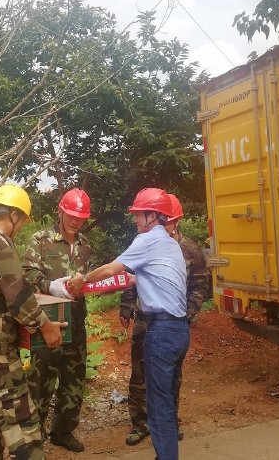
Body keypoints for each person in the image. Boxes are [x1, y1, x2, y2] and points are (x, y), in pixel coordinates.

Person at [69, 187, 188, 460]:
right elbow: (150, 277)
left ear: (152, 216)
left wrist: (83, 279)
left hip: (160, 331)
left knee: (158, 406)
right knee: (167, 398)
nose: (135, 219)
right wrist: (130, 280)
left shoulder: (148, 240)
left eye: (138, 214)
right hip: (179, 330)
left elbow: (112, 268)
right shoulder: (171, 244)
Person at [0, 184, 67, 460]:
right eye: (21, 222)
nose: (19, 229)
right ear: (14, 215)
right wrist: (46, 326)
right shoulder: (1, 245)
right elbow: (18, 297)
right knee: (22, 422)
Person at [120, 193, 211, 446]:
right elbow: (131, 273)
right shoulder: (146, 241)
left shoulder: (189, 250)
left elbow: (200, 286)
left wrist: (187, 313)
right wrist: (126, 305)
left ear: (176, 221)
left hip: (171, 322)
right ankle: (140, 423)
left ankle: (168, 422)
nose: (165, 225)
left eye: (169, 221)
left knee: (170, 377)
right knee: (140, 373)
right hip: (145, 318)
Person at [22, 188, 92, 453]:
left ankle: (63, 432)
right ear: (60, 211)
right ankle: (33, 437)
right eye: (71, 215)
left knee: (74, 381)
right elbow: (26, 273)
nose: (75, 221)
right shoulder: (41, 240)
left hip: (76, 322)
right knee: (41, 381)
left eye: (80, 218)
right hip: (47, 323)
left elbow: (87, 279)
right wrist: (49, 285)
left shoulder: (85, 246)